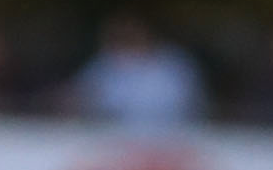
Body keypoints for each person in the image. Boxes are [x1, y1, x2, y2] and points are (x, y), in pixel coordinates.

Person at [69, 11, 204, 129]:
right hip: (116, 138)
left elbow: (192, 106)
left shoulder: (173, 64)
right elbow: (79, 99)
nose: (125, 37)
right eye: (119, 34)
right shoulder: (104, 64)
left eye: (130, 32)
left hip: (170, 137)